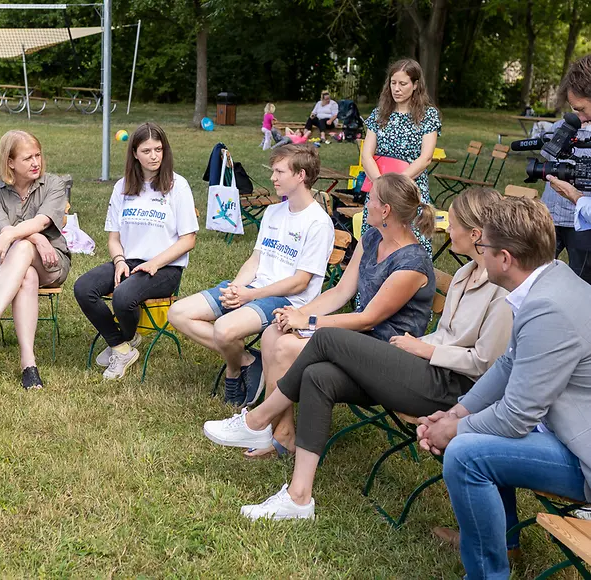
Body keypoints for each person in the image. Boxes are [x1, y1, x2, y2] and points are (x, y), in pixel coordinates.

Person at [201, 187, 512, 523]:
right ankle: (298, 498)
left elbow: (485, 363)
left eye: (453, 224)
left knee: (326, 339)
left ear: (475, 234)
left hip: (453, 388)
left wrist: (425, 349)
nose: (447, 229)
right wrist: (420, 345)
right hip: (419, 366)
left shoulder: (501, 289)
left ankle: (257, 420)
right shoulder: (466, 274)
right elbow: (445, 334)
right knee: (318, 377)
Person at [413, 196, 591, 580]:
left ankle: (486, 575)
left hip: (584, 454)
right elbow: (509, 364)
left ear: (505, 258)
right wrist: (458, 411)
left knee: (466, 453)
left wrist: (452, 429)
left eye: (484, 246)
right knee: (474, 434)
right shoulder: (552, 277)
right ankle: (505, 543)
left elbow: (516, 417)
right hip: (566, 430)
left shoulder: (548, 307)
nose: (480, 252)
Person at [243, 172, 436, 459]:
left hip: (389, 352)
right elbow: (341, 291)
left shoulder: (412, 263)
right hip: (359, 336)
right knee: (274, 332)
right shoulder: (373, 237)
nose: (365, 203)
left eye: (370, 199)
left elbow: (368, 318)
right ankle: (282, 432)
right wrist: (297, 313)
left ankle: (265, 427)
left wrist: (308, 322)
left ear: (385, 210)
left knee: (284, 347)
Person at [169, 144, 334, 406]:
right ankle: (248, 360)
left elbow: (300, 282)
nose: (272, 177)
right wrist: (236, 288)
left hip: (287, 301)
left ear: (300, 175)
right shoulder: (273, 212)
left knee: (224, 329)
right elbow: (256, 259)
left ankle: (234, 371)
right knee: (178, 313)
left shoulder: (318, 222)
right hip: (254, 289)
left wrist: (251, 295)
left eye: (279, 172)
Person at [74, 122, 198, 380]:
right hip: (129, 261)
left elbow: (188, 240)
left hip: (166, 267)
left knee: (123, 296)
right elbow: (114, 238)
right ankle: (122, 347)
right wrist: (119, 260)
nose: (154, 156)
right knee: (84, 287)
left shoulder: (178, 186)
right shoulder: (122, 187)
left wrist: (155, 263)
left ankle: (124, 339)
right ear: (134, 153)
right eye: (146, 151)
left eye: (158, 150)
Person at [0, 130, 70, 390]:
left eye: (38, 156)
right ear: (10, 162)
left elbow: (39, 222)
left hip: (49, 261)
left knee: (22, 247)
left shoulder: (54, 184)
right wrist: (36, 238)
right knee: (26, 275)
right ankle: (28, 364)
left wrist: (20, 236)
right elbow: (1, 226)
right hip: (2, 262)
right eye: (27, 158)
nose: (36, 163)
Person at [361, 58, 441, 257]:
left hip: (409, 187)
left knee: (411, 245)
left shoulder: (428, 115)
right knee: (375, 244)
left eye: (403, 83)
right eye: (393, 83)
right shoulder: (380, 114)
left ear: (415, 85)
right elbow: (366, 154)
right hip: (378, 187)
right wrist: (381, 185)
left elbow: (425, 158)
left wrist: (396, 186)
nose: (396, 89)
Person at [540, 54, 591, 284]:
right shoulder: (563, 126)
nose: (577, 116)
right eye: (573, 109)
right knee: (536, 274)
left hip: (582, 223)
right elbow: (546, 157)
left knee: (581, 282)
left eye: (581, 109)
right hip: (551, 214)